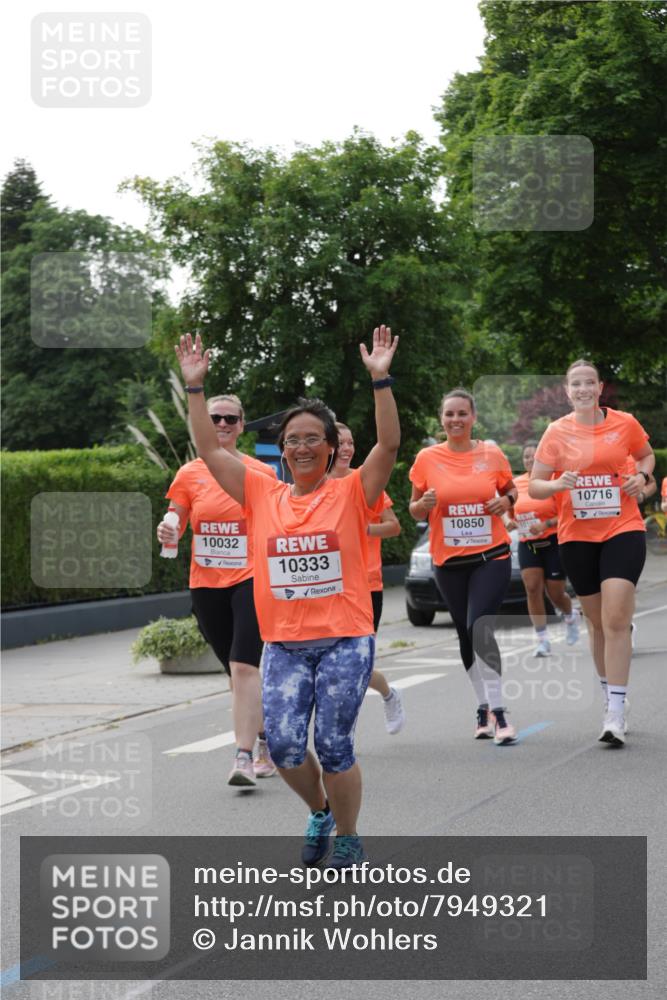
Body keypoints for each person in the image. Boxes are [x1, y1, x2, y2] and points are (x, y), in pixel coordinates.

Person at [175, 326, 399, 868]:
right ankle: (320, 810)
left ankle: (348, 835)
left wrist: (380, 380)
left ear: (328, 448)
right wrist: (196, 389)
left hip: (345, 639)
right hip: (284, 644)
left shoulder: (351, 493)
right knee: (286, 747)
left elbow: (388, 444)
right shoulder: (260, 493)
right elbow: (207, 447)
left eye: (312, 439)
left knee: (335, 744)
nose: (301, 447)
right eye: (292, 439)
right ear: (283, 448)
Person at [529, 359, 654, 747]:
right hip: (577, 537)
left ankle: (615, 714)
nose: (583, 389)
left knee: (616, 619)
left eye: (589, 383)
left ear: (600, 388)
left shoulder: (625, 424)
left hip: (623, 529)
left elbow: (647, 457)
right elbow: (534, 486)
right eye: (575, 385)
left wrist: (642, 476)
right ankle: (610, 696)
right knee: (598, 624)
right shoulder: (556, 432)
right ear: (567, 392)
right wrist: (557, 485)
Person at [157, 394, 278, 787]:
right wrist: (170, 526)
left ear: (242, 425)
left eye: (230, 419)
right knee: (235, 671)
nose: (222, 424)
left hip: (250, 579)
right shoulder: (190, 473)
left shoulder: (261, 472)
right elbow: (176, 513)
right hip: (206, 583)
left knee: (245, 665)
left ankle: (242, 757)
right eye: (215, 419)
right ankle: (265, 737)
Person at [409, 389, 518, 745]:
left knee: (479, 626)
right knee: (464, 634)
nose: (455, 420)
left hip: (491, 556)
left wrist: (504, 501)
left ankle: (500, 714)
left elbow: (511, 491)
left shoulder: (491, 453)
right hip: (449, 562)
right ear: (441, 419)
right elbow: (415, 510)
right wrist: (422, 504)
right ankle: (482, 707)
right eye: (449, 414)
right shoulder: (427, 458)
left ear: (473, 418)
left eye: (462, 414)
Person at [331, 422, 405, 734]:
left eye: (351, 443)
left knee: (356, 662)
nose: (348, 448)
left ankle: (388, 694)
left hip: (366, 583)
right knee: (333, 662)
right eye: (341, 443)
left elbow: (394, 526)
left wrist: (361, 529)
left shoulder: (365, 481)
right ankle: (341, 727)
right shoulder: (314, 485)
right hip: (328, 585)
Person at [504, 442, 580, 656]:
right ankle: (542, 640)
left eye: (533, 457)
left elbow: (566, 514)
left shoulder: (551, 482)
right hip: (528, 544)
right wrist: (507, 522)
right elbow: (506, 512)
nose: (529, 460)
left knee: (555, 593)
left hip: (552, 542)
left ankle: (570, 615)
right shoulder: (516, 485)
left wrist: (545, 525)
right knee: (532, 589)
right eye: (526, 457)